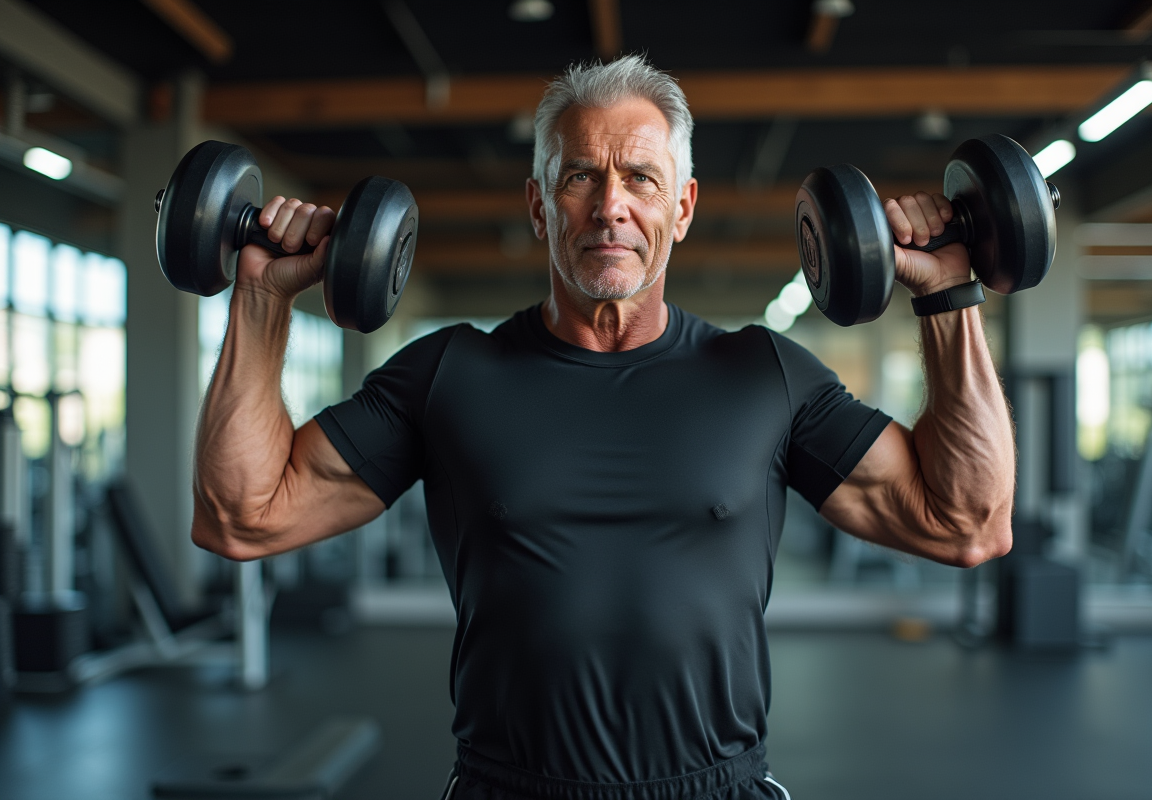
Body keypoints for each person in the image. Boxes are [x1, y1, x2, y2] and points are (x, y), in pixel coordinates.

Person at [192, 55, 1015, 800]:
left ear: (682, 207)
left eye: (641, 179)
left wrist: (949, 293)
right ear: (539, 206)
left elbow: (967, 522)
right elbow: (242, 514)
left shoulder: (765, 375)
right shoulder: (449, 374)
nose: (610, 207)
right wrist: (261, 298)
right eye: (580, 176)